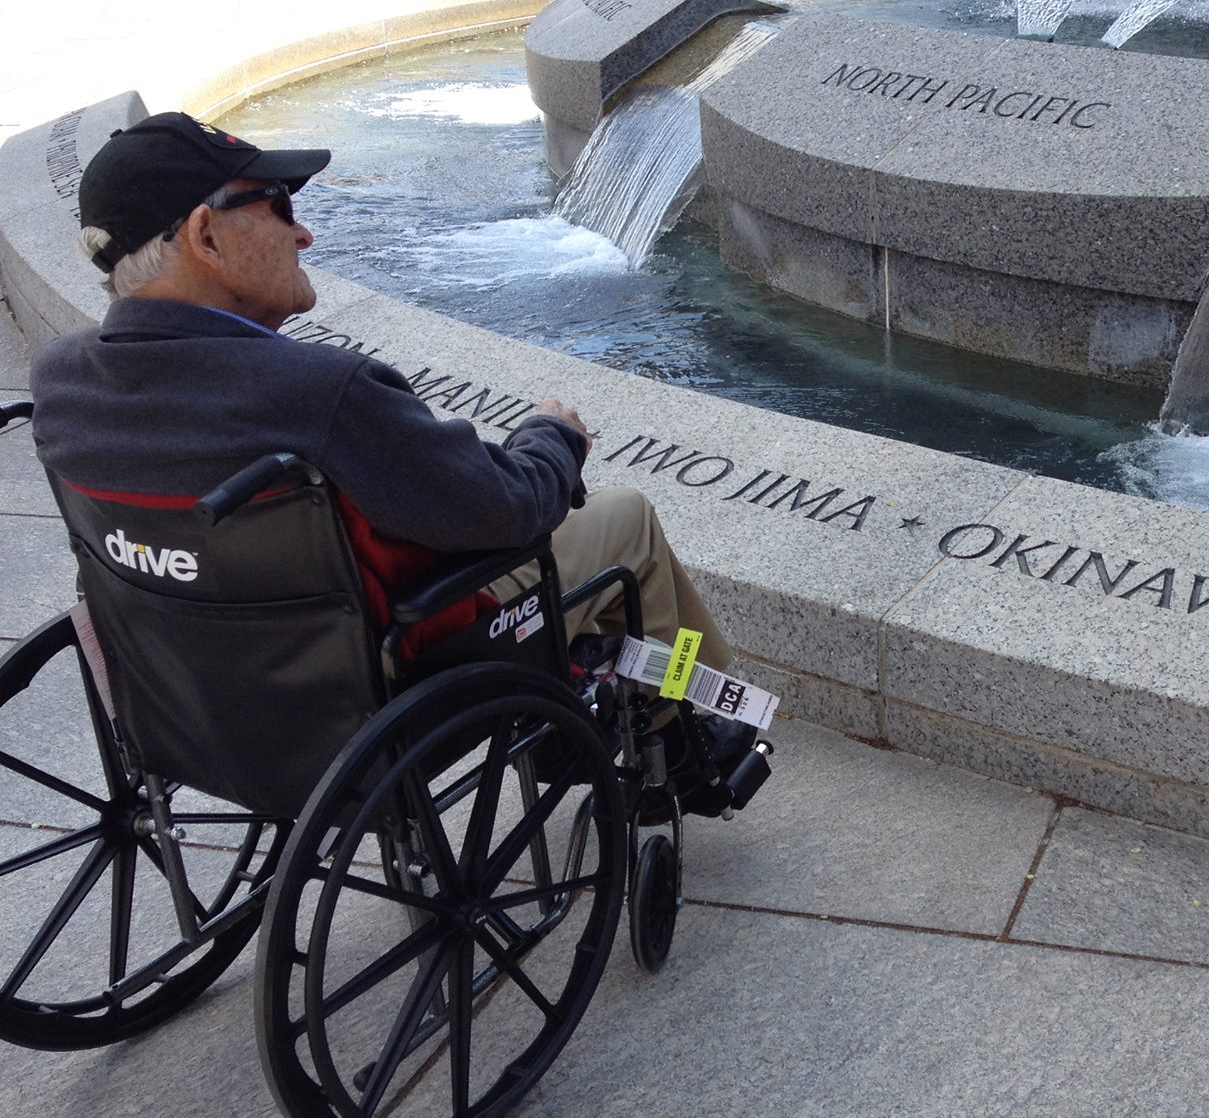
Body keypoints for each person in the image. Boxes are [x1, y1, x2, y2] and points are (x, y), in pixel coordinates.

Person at [29, 111, 754, 809]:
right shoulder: (319, 393)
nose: (304, 233)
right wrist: (552, 437)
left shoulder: (61, 381)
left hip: (185, 688)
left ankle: (600, 710)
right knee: (626, 523)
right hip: (377, 681)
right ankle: (688, 734)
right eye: (279, 207)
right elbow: (504, 508)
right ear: (206, 235)